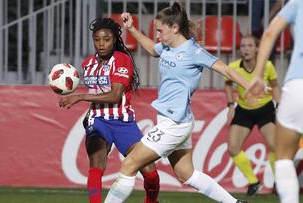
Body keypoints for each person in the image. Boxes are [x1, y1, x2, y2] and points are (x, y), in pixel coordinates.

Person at [104, 3, 249, 203]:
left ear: (175, 28)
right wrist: (131, 29)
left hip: (174, 123)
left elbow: (226, 70)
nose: (157, 35)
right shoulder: (166, 47)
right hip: (175, 121)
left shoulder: (194, 52)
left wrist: (251, 85)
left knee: (129, 164)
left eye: (159, 30)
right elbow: (153, 51)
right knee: (186, 174)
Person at [58, 17, 160, 203]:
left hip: (123, 123)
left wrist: (79, 96)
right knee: (96, 164)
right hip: (98, 121)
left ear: (115, 40)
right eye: (97, 39)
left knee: (150, 172)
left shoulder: (122, 60)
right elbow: (96, 91)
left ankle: (152, 201)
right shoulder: (87, 63)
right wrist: (89, 111)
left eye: (106, 39)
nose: (101, 44)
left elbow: (114, 96)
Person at [246, 0, 303, 202]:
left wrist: (258, 74)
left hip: (298, 86)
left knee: (283, 159)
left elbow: (270, 33)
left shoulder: (297, 3)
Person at [225, 34, 280, 196]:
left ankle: (280, 182)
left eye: (249, 45)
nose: (246, 49)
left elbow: (275, 86)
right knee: (233, 148)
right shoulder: (233, 66)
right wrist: (230, 105)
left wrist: (279, 106)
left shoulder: (267, 66)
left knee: (275, 146)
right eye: (242, 46)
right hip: (243, 110)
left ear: (257, 49)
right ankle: (254, 182)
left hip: (265, 109)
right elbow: (227, 84)